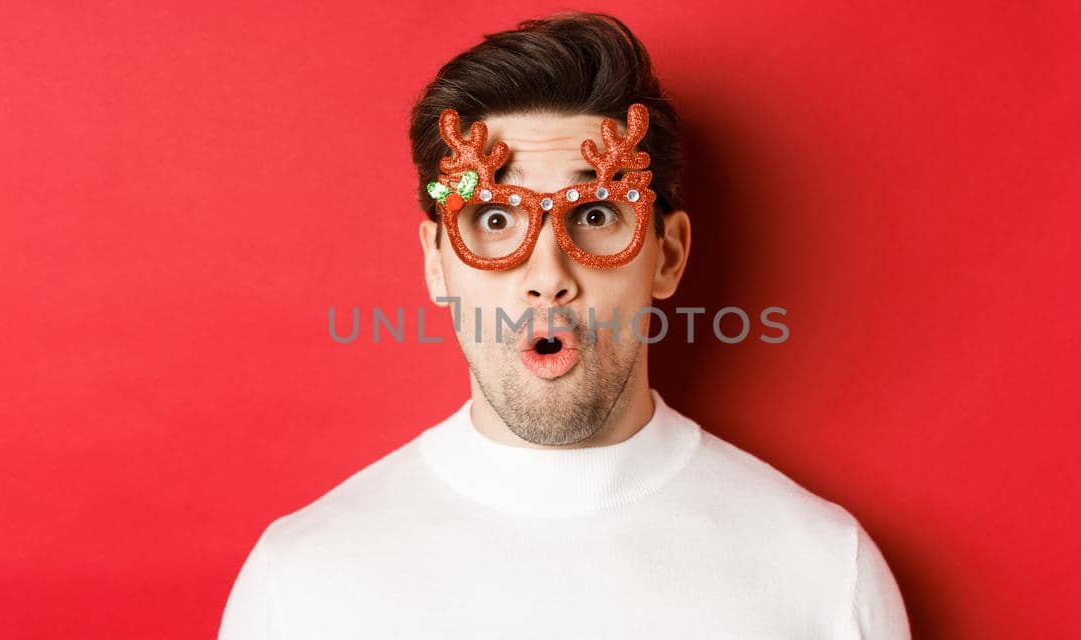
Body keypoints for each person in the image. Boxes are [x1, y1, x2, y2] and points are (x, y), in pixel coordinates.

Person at [218, 11, 911, 639]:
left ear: (666, 256)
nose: (547, 274)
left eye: (596, 215)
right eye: (494, 219)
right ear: (436, 264)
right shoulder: (301, 583)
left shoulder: (822, 574)